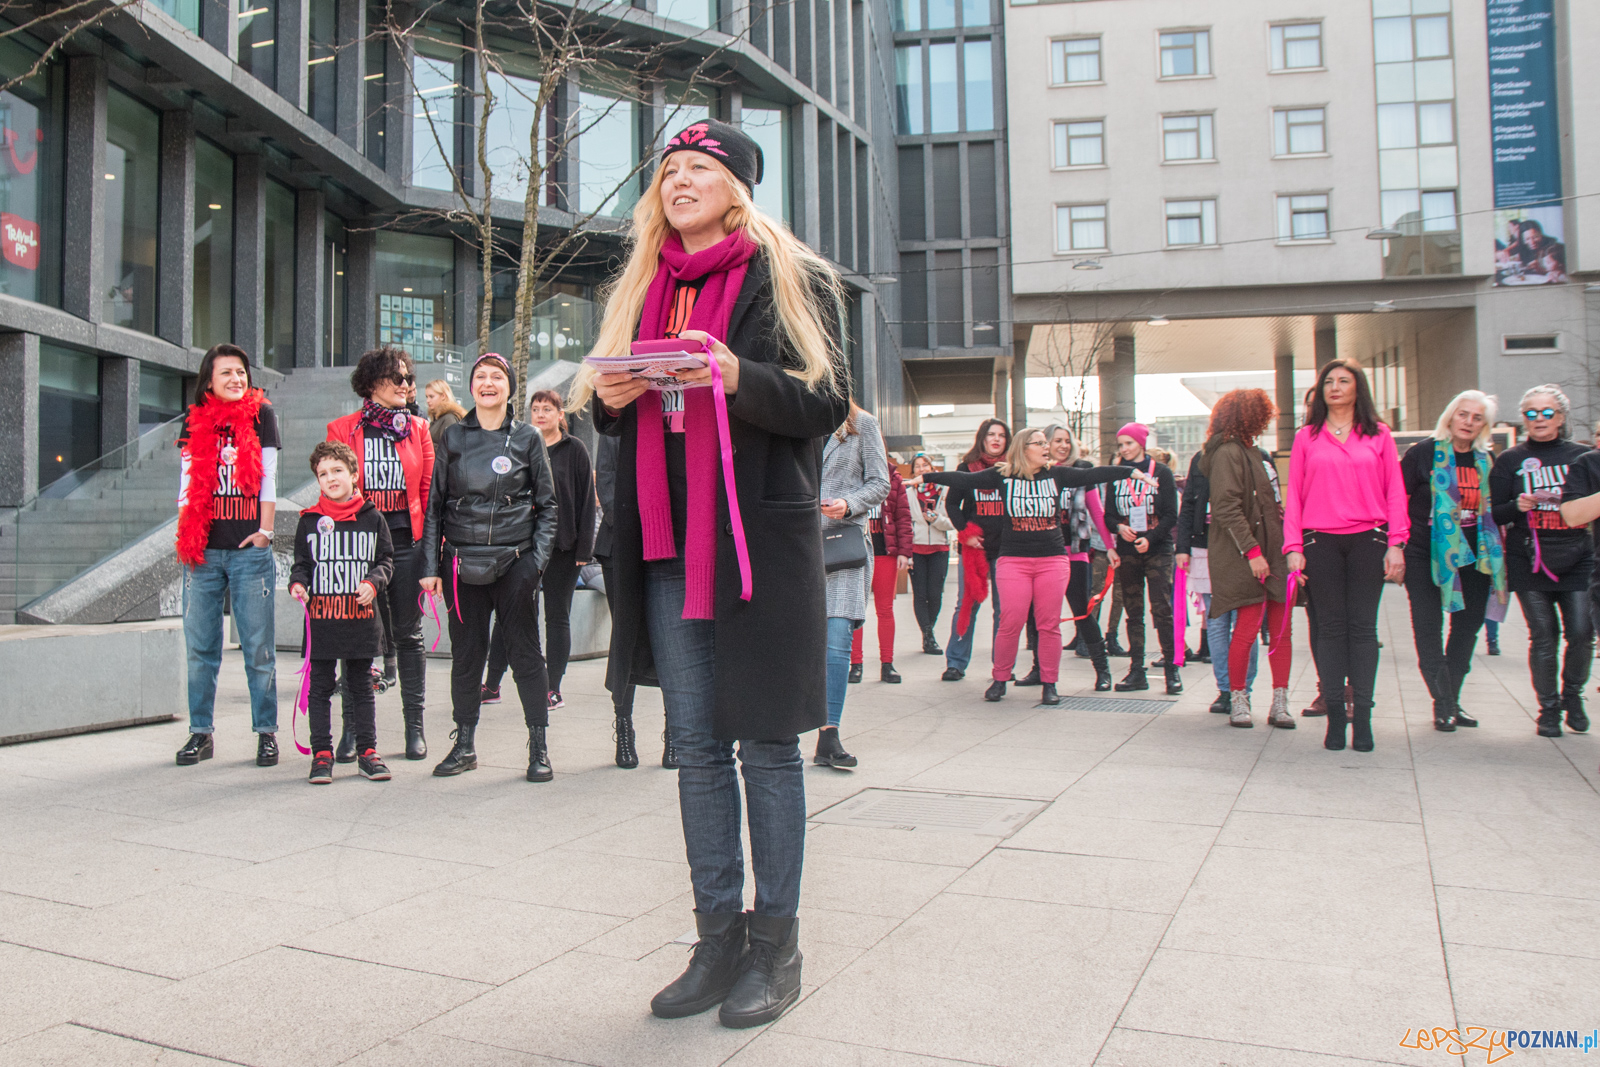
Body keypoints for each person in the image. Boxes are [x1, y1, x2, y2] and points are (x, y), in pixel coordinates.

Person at [574, 119, 849, 1028]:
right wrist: (610, 402)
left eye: (700, 168)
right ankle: (716, 940)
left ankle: (777, 945)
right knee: (694, 748)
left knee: (768, 744)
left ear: (737, 189)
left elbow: (825, 401)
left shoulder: (791, 277)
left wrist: (739, 378)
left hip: (753, 546)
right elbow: (632, 413)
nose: (680, 180)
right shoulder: (645, 286)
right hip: (664, 539)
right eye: (669, 170)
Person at [912, 427, 1127, 705]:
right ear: (1024, 448)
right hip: (1013, 560)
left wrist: (1129, 471)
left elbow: (1091, 475)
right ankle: (1000, 679)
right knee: (1009, 622)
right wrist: (926, 476)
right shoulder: (1004, 475)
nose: (1046, 447)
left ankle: (1050, 683)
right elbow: (964, 478)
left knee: (1049, 625)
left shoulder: (1057, 474)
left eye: (1045, 443)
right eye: (1039, 443)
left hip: (1052, 560)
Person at [420, 353, 559, 780]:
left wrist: (535, 563)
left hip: (515, 562)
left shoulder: (528, 438)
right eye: (480, 376)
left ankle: (539, 747)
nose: (487, 383)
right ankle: (464, 745)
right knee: (466, 658)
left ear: (509, 387)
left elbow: (549, 507)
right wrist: (431, 566)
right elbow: (434, 507)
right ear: (471, 387)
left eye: (496, 377)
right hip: (462, 566)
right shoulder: (453, 438)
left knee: (527, 657)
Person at [1284, 359, 1408, 753]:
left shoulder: (1379, 435)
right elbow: (1295, 496)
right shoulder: (1307, 437)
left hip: (1368, 541)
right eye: (1329, 382)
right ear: (1320, 391)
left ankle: (1364, 720)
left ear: (1359, 388)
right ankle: (1336, 719)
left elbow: (1395, 492)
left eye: (1344, 381)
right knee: (1331, 630)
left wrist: (1396, 542)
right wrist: (1293, 547)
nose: (1335, 387)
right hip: (1320, 542)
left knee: (1363, 630)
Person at [174, 343, 281, 768]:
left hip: (248, 552)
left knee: (258, 647)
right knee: (200, 648)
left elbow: (269, 480)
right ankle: (200, 733)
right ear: (209, 381)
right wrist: (185, 538)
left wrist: (266, 533)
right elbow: (186, 482)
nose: (236, 379)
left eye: (241, 372)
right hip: (202, 553)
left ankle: (266, 733)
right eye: (227, 374)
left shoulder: (262, 416)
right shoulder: (193, 420)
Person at [326, 347, 435, 761]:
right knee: (358, 640)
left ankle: (415, 729)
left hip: (406, 544)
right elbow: (334, 489)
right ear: (372, 383)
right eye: (398, 379)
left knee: (408, 635)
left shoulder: (419, 429)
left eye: (410, 379)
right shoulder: (342, 429)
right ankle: (353, 730)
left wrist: (430, 553)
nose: (408, 386)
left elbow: (427, 491)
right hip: (359, 548)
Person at [288, 442, 395, 784]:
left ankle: (368, 751)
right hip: (322, 621)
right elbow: (301, 566)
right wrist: (298, 584)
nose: (330, 478)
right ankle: (321, 753)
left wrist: (374, 582)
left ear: (353, 475)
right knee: (319, 688)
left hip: (361, 622)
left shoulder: (374, 518)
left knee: (361, 686)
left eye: (337, 471)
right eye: (323, 474)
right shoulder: (308, 521)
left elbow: (386, 560)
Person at [1401, 391, 1507, 732]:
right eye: (1463, 415)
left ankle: (1452, 698)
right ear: (1451, 416)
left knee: (1468, 627)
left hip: (1475, 555)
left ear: (1484, 425)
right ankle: (1443, 703)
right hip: (1424, 553)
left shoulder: (1486, 459)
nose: (1469, 422)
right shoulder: (1423, 453)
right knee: (1429, 628)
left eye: (1477, 418)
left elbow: (1494, 508)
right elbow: (1397, 501)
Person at [483, 390, 596, 711]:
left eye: (548, 409)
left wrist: (584, 547)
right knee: (509, 616)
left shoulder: (575, 450)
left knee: (557, 616)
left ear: (561, 415)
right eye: (535, 409)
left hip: (564, 547)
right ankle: (491, 684)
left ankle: (553, 688)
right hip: (522, 547)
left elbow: (587, 500)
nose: (541, 414)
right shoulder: (520, 446)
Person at [1495, 385, 1592, 736]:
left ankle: (1573, 696)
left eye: (1547, 412)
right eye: (1531, 413)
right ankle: (1548, 709)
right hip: (1529, 558)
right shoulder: (1510, 460)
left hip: (1578, 555)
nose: (1539, 419)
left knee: (1582, 633)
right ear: (1524, 419)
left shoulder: (1584, 456)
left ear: (1561, 417)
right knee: (1544, 635)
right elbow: (1495, 511)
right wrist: (1515, 506)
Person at [1199, 390, 1294, 729]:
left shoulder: (1254, 452)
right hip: (1248, 554)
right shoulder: (1228, 453)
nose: (1267, 421)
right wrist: (1253, 552)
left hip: (1275, 551)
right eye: (1262, 414)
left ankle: (1280, 702)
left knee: (1282, 631)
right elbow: (1226, 506)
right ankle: (1239, 698)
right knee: (1247, 629)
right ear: (1248, 416)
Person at [821, 403, 891, 761]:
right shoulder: (789, 416)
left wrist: (849, 502)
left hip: (842, 546)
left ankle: (828, 735)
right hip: (794, 545)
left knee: (837, 638)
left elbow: (880, 482)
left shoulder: (861, 423)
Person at [1176, 442, 1259, 715]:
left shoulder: (1255, 455)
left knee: (1243, 622)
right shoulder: (1202, 458)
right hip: (1205, 545)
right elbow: (1188, 504)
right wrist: (1182, 548)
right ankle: (1226, 689)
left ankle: (1243, 688)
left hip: (1243, 546)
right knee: (1216, 621)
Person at [1102, 423, 1182, 694]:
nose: (1124, 449)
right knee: (1133, 611)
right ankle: (1137, 670)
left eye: (1129, 444)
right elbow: (1108, 514)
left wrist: (1152, 537)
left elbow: (1171, 514)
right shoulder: (1117, 475)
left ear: (1141, 444)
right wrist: (1118, 528)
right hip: (1128, 550)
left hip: (1157, 548)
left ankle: (1172, 669)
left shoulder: (1161, 473)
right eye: (1121, 445)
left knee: (1162, 609)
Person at [1046, 423, 1116, 691]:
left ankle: (1102, 670)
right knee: (1041, 615)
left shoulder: (1082, 470)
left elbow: (1096, 510)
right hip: (1046, 553)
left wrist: (1109, 546)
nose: (1063, 445)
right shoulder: (1039, 473)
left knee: (1082, 611)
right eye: (1057, 440)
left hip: (1075, 552)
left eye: (1067, 440)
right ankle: (1040, 670)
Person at [942, 418, 1011, 682]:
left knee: (1003, 609)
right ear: (982, 438)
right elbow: (952, 505)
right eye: (991, 434)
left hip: (1006, 550)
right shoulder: (965, 468)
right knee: (966, 606)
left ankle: (1002, 665)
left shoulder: (1013, 469)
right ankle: (955, 663)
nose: (996, 439)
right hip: (974, 549)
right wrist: (966, 535)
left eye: (1001, 435)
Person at [849, 439, 910, 684]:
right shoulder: (849, 474)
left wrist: (905, 551)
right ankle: (856, 664)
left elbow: (903, 516)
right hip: (855, 550)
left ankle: (887, 663)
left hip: (886, 552)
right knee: (855, 609)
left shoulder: (893, 477)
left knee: (885, 610)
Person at [907, 453, 955, 654]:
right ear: (913, 472)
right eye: (917, 466)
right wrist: (906, 553)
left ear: (932, 468)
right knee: (920, 595)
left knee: (935, 595)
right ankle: (928, 636)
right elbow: (904, 523)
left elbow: (952, 522)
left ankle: (929, 631)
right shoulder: (908, 493)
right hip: (916, 550)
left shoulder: (944, 491)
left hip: (939, 548)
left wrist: (935, 519)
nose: (921, 469)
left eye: (925, 465)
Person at [424, 379, 467, 445]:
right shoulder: (436, 419)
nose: (428, 400)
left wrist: (427, 446)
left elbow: (450, 448)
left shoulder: (449, 418)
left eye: (431, 396)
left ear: (443, 396)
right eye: (427, 397)